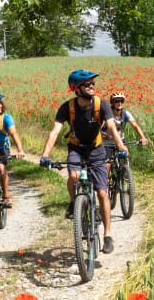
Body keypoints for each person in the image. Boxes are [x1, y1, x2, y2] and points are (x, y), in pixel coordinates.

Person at [39, 70, 127, 254]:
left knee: (102, 193)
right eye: (87, 84)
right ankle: (74, 203)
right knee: (73, 175)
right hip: (76, 148)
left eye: (92, 83)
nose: (92, 86)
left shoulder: (102, 104)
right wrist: (45, 155)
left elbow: (111, 126)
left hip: (96, 149)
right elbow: (55, 131)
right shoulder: (67, 107)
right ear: (76, 89)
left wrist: (120, 147)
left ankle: (107, 235)